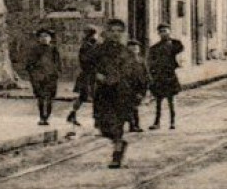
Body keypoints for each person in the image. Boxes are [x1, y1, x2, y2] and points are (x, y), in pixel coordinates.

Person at [89, 19, 147, 169]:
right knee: (103, 126)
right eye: (112, 31)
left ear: (123, 34)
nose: (115, 34)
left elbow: (138, 74)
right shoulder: (98, 51)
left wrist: (140, 93)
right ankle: (118, 142)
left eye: (119, 31)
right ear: (106, 33)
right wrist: (96, 75)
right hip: (103, 93)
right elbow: (88, 68)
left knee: (117, 125)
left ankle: (117, 154)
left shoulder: (127, 52)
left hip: (122, 93)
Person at [22, 27, 63, 127]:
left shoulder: (54, 49)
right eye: (42, 36)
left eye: (46, 36)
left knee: (50, 97)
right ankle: (41, 116)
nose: (44, 38)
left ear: (50, 38)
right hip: (38, 77)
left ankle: (47, 116)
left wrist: (57, 72)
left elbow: (58, 63)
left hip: (51, 77)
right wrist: (33, 75)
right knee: (40, 97)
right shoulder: (35, 50)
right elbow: (29, 64)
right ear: (39, 39)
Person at [147, 23, 185, 130]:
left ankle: (172, 122)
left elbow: (180, 50)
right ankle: (157, 122)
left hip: (170, 75)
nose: (164, 33)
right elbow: (151, 62)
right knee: (158, 101)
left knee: (171, 101)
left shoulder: (175, 44)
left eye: (165, 30)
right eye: (161, 31)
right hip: (159, 76)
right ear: (158, 33)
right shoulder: (155, 48)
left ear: (169, 31)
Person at [67, 27, 99, 126]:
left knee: (88, 97)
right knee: (89, 97)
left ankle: (72, 115)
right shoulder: (86, 47)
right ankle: (96, 120)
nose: (96, 37)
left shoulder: (94, 46)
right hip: (88, 75)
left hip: (92, 75)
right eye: (95, 35)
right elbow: (84, 61)